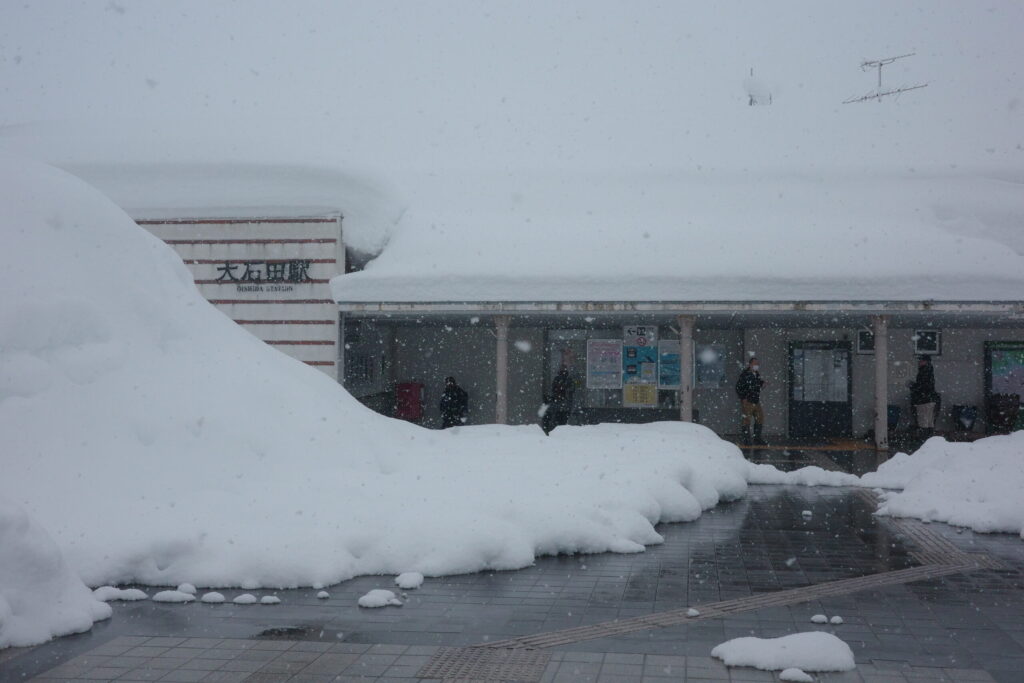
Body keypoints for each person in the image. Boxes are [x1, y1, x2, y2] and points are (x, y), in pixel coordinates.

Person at [736, 357, 766, 446]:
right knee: (746, 420)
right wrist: (743, 397)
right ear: (750, 364)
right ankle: (746, 440)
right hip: (748, 401)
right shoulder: (745, 375)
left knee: (759, 418)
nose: (757, 365)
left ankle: (757, 438)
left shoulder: (756, 374)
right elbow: (738, 387)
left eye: (758, 364)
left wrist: (762, 383)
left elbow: (757, 383)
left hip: (756, 400)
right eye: (755, 364)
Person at [909, 356, 938, 438]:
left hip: (923, 401)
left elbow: (922, 386)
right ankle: (930, 439)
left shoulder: (924, 372)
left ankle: (924, 439)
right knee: (929, 422)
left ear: (926, 362)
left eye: (921, 360)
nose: (919, 362)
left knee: (923, 422)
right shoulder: (929, 371)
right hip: (930, 400)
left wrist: (913, 386)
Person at [543, 365, 574, 435]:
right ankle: (555, 431)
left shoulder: (562, 379)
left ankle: (551, 431)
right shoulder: (567, 379)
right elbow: (571, 389)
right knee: (561, 420)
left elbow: (555, 389)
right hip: (563, 404)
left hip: (560, 404)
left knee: (556, 419)